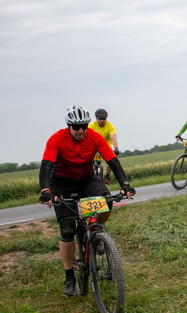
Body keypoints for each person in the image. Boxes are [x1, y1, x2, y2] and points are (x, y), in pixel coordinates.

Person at [39, 105, 135, 297]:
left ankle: (96, 229)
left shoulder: (94, 137)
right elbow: (46, 166)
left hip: (86, 179)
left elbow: (113, 161)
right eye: (76, 127)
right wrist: (46, 190)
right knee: (67, 229)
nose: (81, 130)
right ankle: (69, 276)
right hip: (62, 183)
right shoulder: (56, 138)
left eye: (83, 126)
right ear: (69, 126)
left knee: (107, 200)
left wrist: (125, 185)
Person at [89, 108, 120, 184]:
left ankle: (107, 175)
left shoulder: (110, 126)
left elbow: (113, 137)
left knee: (113, 160)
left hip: (106, 147)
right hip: (94, 147)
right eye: (100, 119)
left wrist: (116, 148)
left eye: (104, 119)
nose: (102, 120)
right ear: (96, 118)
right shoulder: (91, 126)